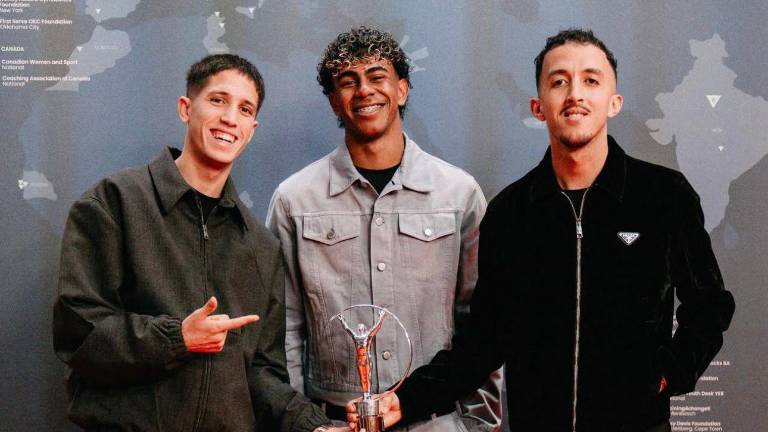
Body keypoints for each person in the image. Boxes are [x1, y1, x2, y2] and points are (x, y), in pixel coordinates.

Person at [350, 28, 736, 432]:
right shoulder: (510, 213)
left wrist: (667, 374)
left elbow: (710, 306)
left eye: (591, 80)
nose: (575, 94)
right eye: (559, 82)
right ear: (538, 107)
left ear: (614, 102)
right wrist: (407, 400)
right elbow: (484, 341)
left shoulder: (663, 196)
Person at [53, 54, 348, 432]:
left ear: (251, 129)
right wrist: (177, 338)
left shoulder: (261, 246)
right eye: (218, 100)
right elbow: (79, 332)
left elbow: (262, 374)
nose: (230, 118)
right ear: (185, 108)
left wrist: (314, 426)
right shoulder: (115, 203)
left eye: (244, 109)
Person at [267, 26, 502, 431]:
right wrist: (304, 426)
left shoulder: (459, 195)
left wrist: (478, 425)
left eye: (377, 76)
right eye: (348, 81)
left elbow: (483, 325)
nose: (364, 90)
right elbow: (284, 330)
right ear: (334, 102)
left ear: (402, 90)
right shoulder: (294, 201)